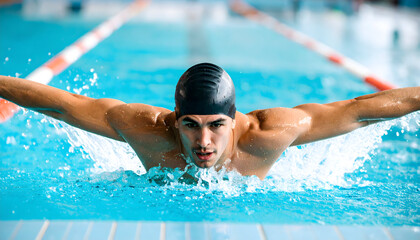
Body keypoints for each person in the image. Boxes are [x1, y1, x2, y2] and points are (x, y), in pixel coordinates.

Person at [0, 63, 419, 180]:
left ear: (235, 121)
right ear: (175, 120)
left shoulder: (270, 133)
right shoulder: (146, 128)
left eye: (216, 124)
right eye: (190, 125)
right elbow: (62, 105)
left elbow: (361, 108)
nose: (203, 140)